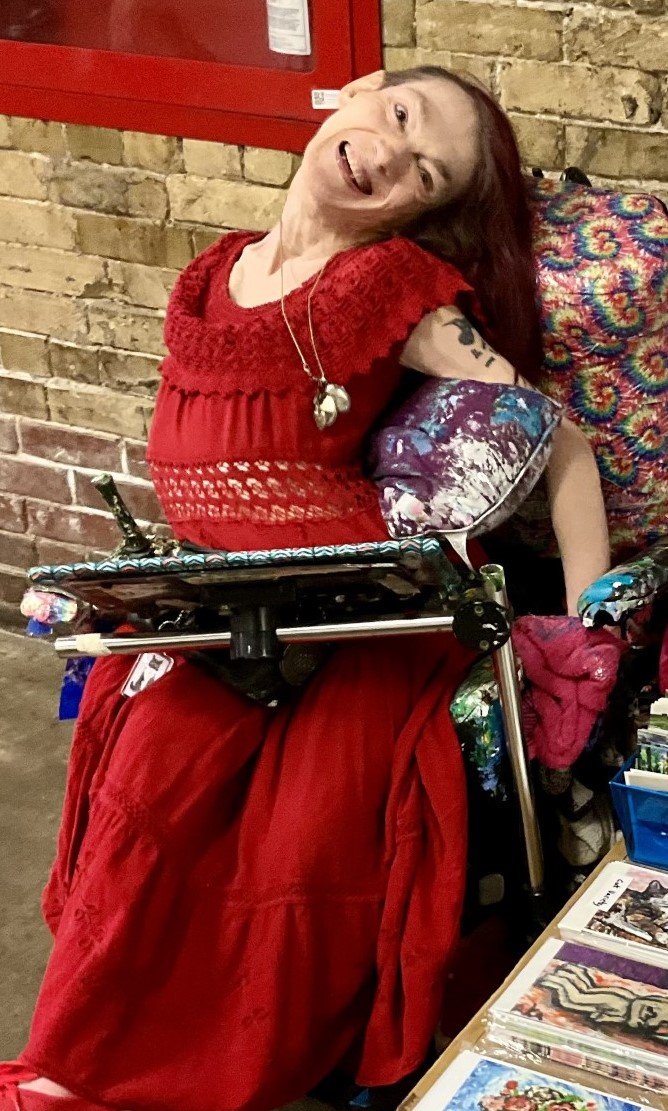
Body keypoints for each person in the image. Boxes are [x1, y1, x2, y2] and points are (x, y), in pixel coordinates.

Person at [1, 66, 609, 1111]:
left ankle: (138, 1070)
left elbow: (557, 443)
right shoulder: (211, 274)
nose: (390, 157)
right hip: (207, 614)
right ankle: (87, 1059)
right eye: (402, 119)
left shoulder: (387, 288)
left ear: (418, 210)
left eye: (423, 172)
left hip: (349, 622)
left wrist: (585, 628)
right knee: (143, 799)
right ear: (359, 89)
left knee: (278, 832)